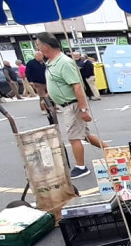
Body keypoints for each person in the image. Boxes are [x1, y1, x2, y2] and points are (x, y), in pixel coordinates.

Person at [37, 32, 106, 179]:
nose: (38, 50)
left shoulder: (64, 62)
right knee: (84, 134)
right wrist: (48, 97)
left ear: (46, 46)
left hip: (72, 105)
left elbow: (77, 87)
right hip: (65, 104)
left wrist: (83, 109)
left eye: (38, 46)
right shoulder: (51, 62)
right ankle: (110, 150)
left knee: (74, 137)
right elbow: (57, 83)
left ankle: (81, 167)